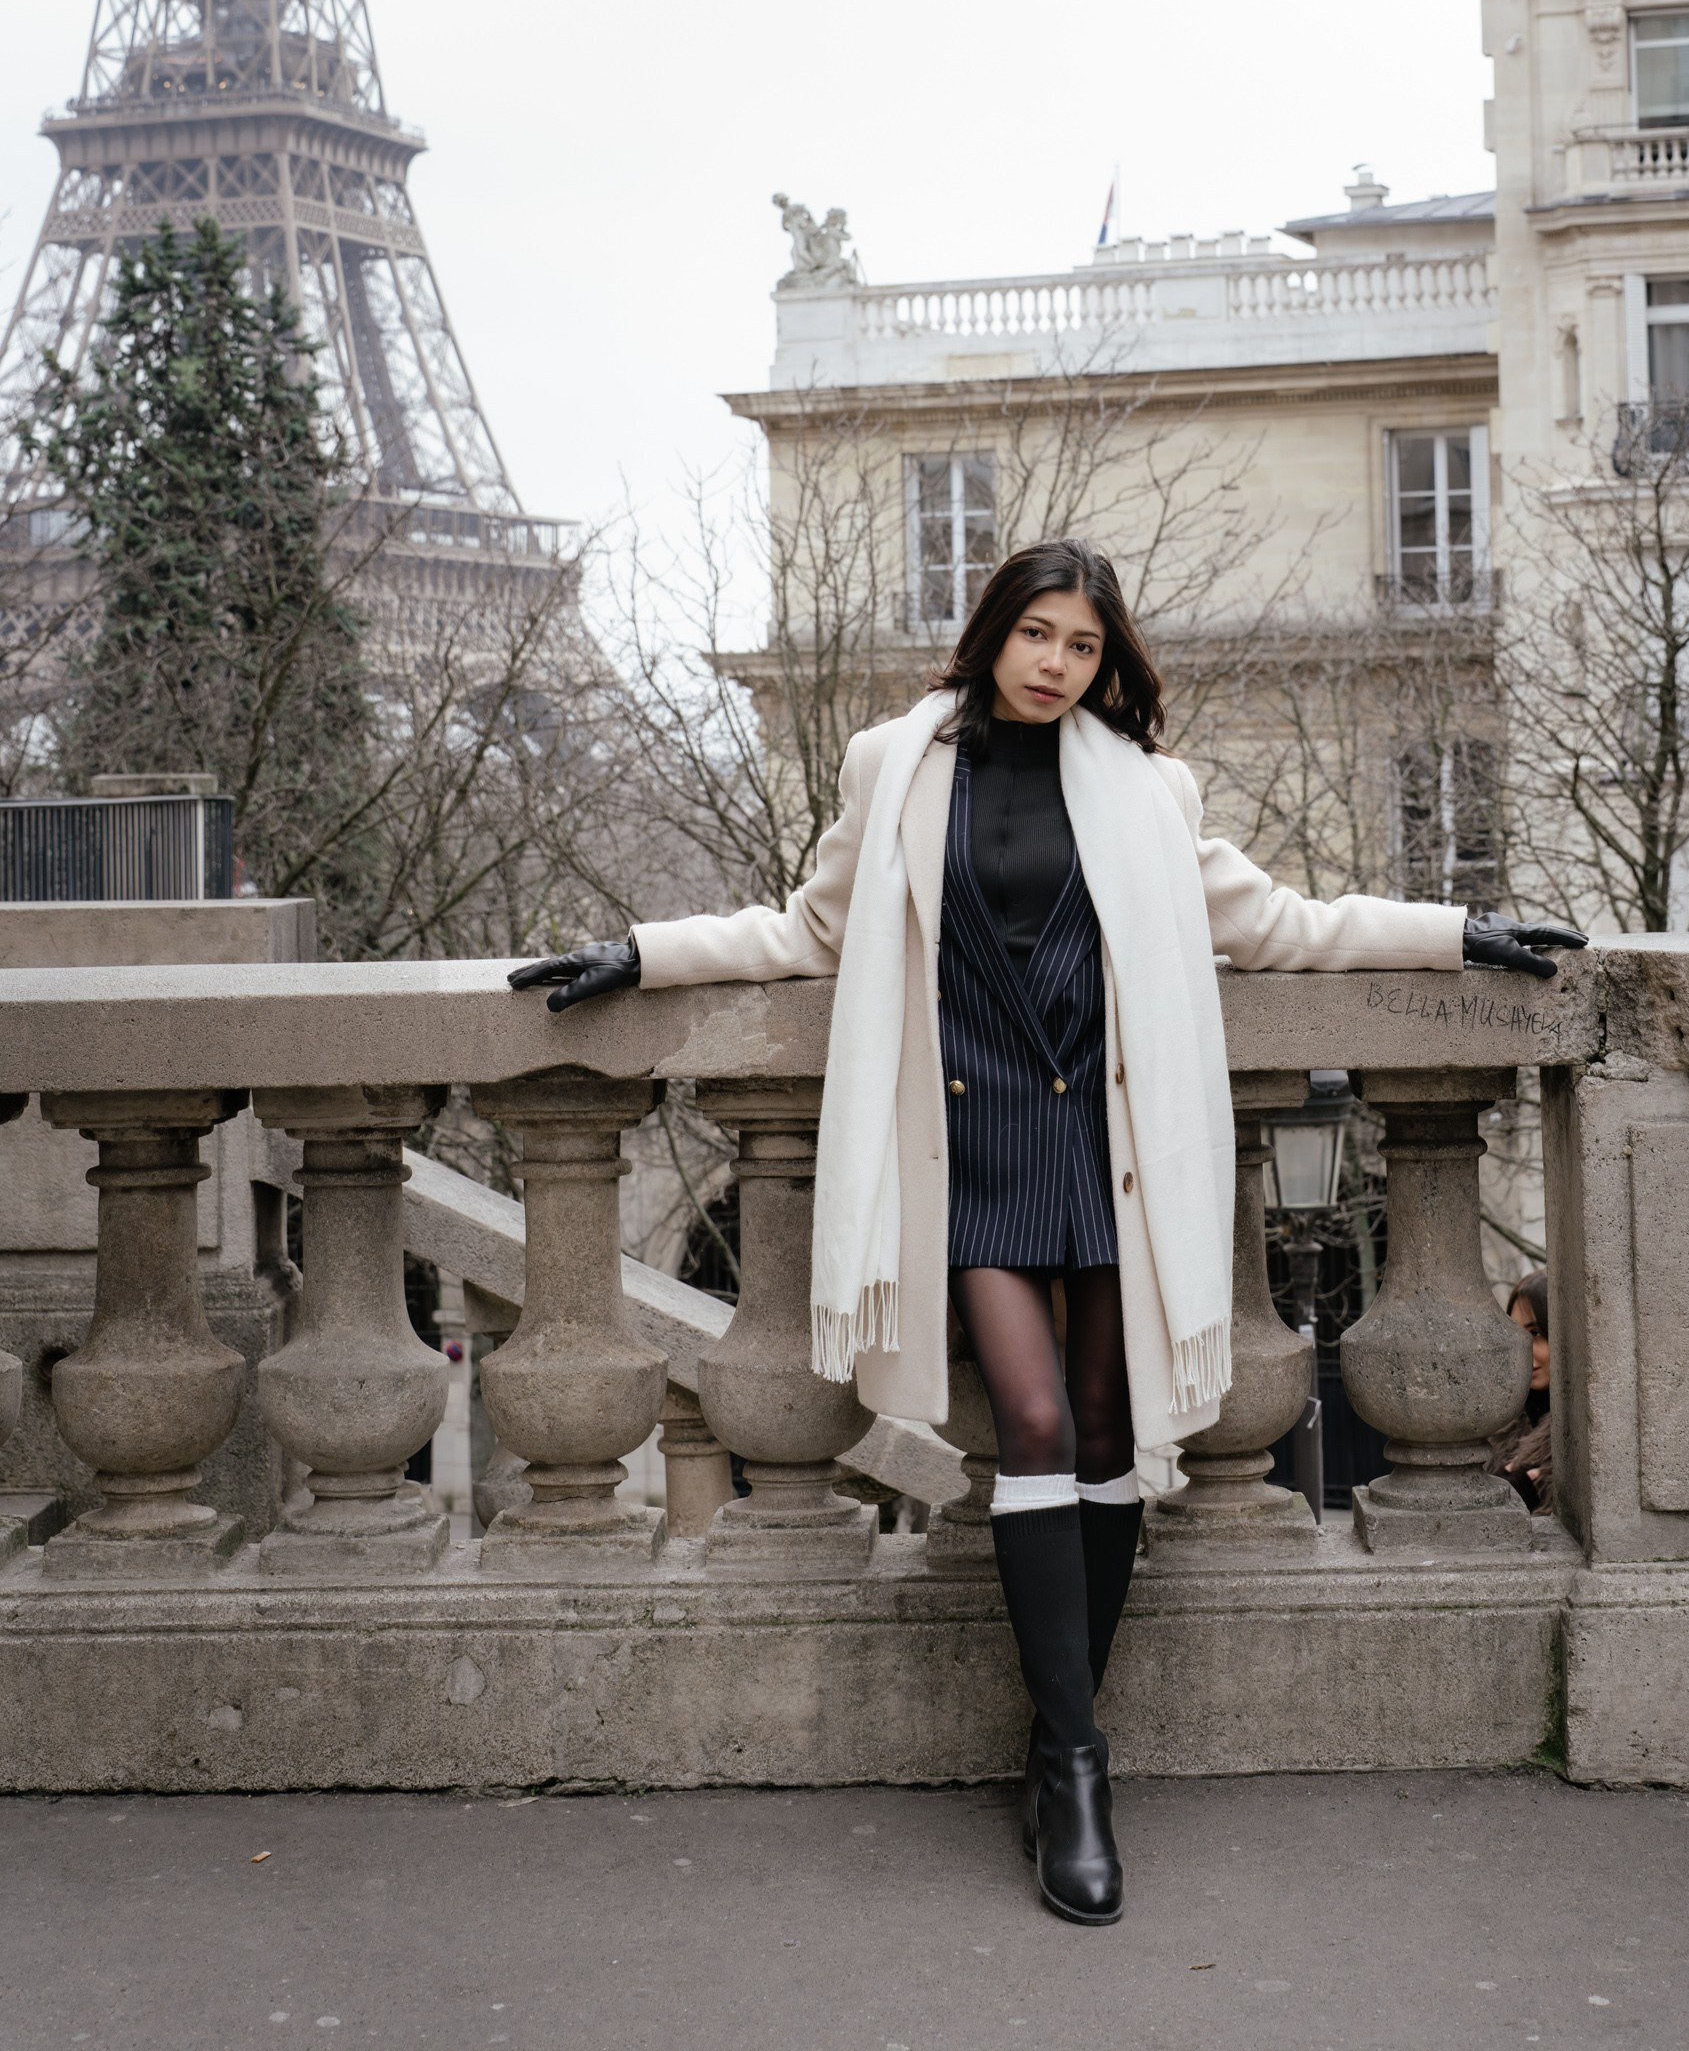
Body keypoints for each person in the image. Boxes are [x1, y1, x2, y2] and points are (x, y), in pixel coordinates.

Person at [511, 538, 1582, 1926]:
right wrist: (643, 955)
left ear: (1103, 661)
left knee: (1104, 1430)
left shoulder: (1145, 787)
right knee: (1028, 1423)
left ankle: (1057, 1737)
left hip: (1106, 1144)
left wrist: (1454, 933)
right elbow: (809, 929)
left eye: (1083, 646)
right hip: (976, 1142)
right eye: (1038, 635)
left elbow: (1275, 924)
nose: (1056, 665)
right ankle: (1077, 1764)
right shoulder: (896, 765)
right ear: (994, 631)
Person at [1492, 1267, 1552, 1509]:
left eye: (1535, 1332)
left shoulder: (1584, 1432)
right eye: (1516, 1335)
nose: (1523, 1349)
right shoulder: (1497, 1424)